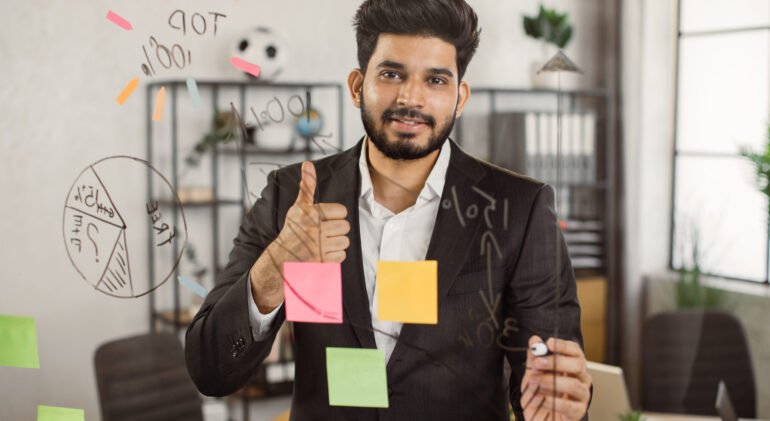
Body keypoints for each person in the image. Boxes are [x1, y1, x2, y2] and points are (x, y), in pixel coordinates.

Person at [185, 0, 592, 419]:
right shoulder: (290, 197)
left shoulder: (520, 210)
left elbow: (546, 382)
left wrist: (561, 403)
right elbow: (211, 371)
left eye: (435, 79)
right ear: (358, 86)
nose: (411, 97)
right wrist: (274, 269)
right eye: (392, 73)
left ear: (460, 97)